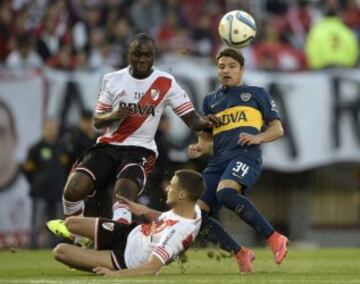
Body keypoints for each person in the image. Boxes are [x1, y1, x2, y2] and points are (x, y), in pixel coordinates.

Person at [49, 33, 220, 244]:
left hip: (141, 150)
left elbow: (192, 120)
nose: (142, 59)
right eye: (137, 54)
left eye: (147, 55)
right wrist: (114, 115)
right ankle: (77, 237)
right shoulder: (112, 79)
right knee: (73, 189)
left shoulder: (166, 82)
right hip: (108, 146)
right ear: (128, 54)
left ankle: (117, 245)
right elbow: (97, 121)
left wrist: (206, 122)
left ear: (154, 56)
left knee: (123, 193)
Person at [187, 48, 288, 270]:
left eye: (232, 66)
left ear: (242, 69)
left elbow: (278, 129)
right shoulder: (210, 101)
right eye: (222, 66)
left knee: (225, 193)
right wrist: (199, 148)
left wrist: (257, 137)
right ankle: (240, 253)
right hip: (217, 162)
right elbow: (205, 139)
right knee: (193, 215)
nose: (226, 70)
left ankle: (273, 237)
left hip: (245, 156)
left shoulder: (257, 93)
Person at [48, 169, 204, 276]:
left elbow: (153, 267)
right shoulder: (193, 211)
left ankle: (92, 247)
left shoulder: (178, 233)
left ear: (182, 194)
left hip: (124, 259)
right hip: (129, 232)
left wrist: (115, 275)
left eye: (172, 186)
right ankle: (89, 242)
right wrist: (145, 211)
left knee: (60, 251)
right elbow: (168, 219)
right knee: (71, 223)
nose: (167, 188)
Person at [22, 118, 69, 248]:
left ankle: (55, 246)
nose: (51, 131)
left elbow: (67, 167)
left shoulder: (62, 148)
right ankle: (33, 245)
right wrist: (36, 183)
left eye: (53, 128)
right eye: (48, 128)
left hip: (57, 191)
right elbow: (27, 170)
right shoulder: (35, 149)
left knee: (56, 222)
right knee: (37, 221)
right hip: (40, 192)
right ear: (43, 130)